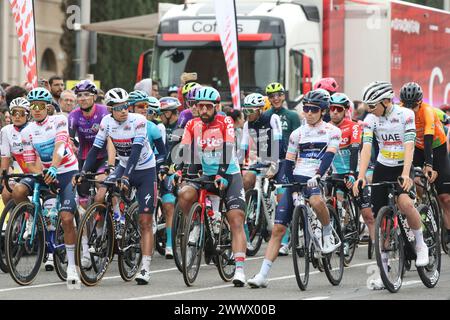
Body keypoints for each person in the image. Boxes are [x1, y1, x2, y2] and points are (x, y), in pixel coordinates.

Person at [247, 89, 342, 288]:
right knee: (278, 228)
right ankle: (263, 275)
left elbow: (328, 157)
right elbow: (289, 161)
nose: (308, 113)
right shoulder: (298, 133)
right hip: (298, 178)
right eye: (305, 108)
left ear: (323, 111)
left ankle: (326, 231)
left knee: (316, 200)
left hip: (318, 176)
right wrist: (284, 180)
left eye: (313, 109)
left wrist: (317, 175)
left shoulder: (333, 131)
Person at [353, 81, 429, 290]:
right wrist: (360, 176)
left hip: (402, 166)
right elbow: (366, 148)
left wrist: (406, 174)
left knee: (405, 204)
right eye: (367, 105)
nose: (370, 109)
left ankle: (421, 244)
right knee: (383, 222)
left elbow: (409, 145)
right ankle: (384, 271)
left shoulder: (406, 115)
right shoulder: (371, 119)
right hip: (383, 166)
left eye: (373, 105)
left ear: (387, 101)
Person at [173, 87, 248, 287]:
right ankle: (196, 225)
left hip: (229, 174)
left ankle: (239, 269)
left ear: (216, 106)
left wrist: (222, 174)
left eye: (208, 106)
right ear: (195, 107)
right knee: (185, 193)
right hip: (206, 174)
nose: (204, 110)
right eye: (200, 106)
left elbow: (228, 147)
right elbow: (185, 150)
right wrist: (179, 171)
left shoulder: (226, 121)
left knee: (235, 219)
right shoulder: (191, 124)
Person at [18, 87, 80, 285]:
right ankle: (35, 226)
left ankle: (72, 266)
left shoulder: (59, 120)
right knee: (49, 214)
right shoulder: (27, 132)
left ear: (48, 107)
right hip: (48, 174)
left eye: (41, 106)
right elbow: (29, 161)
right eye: (33, 106)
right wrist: (43, 174)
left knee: (67, 217)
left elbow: (60, 146)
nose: (36, 110)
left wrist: (53, 167)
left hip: (67, 171)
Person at [400, 82, 450, 250]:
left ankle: (448, 230)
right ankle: (422, 207)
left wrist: (429, 165)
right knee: (416, 182)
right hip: (418, 148)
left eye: (414, 105)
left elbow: (428, 138)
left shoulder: (427, 111)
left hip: (436, 147)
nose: (410, 109)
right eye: (407, 105)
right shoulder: (401, 109)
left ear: (419, 102)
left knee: (445, 198)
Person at [328, 93, 375, 250]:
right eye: (332, 108)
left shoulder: (353, 126)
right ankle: (340, 231)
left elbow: (355, 150)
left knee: (368, 215)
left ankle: (379, 247)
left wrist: (352, 174)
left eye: (338, 109)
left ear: (345, 110)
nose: (334, 112)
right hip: (336, 173)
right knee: (333, 203)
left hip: (354, 171)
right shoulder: (326, 128)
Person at [264, 82, 301, 254]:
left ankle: (284, 241)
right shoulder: (265, 115)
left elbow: (299, 138)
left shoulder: (292, 115)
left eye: (278, 95)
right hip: (270, 159)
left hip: (287, 160)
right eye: (272, 96)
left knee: (281, 198)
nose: (276, 98)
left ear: (283, 96)